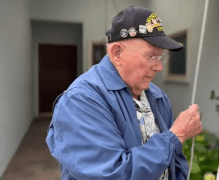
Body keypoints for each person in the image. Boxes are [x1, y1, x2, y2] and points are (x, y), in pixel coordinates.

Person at [46, 6, 202, 180]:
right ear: (117, 53)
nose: (159, 67)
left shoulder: (157, 95)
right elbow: (112, 174)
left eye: (161, 57)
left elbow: (175, 161)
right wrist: (176, 135)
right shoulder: (80, 101)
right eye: (152, 57)